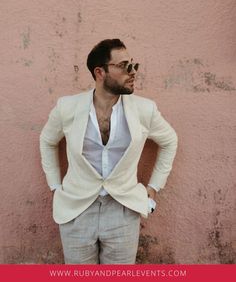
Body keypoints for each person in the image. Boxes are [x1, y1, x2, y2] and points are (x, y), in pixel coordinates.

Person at [39, 38, 178, 264]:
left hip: (123, 209)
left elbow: (170, 140)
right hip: (76, 209)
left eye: (134, 65)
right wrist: (55, 186)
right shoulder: (67, 107)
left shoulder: (145, 109)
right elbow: (47, 140)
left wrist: (154, 187)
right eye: (124, 66)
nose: (132, 72)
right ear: (100, 72)